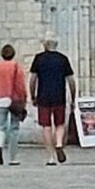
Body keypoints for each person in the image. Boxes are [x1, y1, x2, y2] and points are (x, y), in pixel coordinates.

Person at [30, 37, 74, 165]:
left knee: (46, 126)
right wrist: (73, 96)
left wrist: (32, 95)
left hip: (43, 96)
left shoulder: (39, 59)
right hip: (59, 96)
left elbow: (33, 79)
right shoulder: (63, 59)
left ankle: (51, 157)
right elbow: (71, 80)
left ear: (45, 45)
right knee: (60, 123)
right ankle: (59, 144)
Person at [0, 43, 26, 165]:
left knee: (0, 127)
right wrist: (23, 99)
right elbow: (20, 86)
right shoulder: (16, 67)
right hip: (13, 99)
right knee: (14, 128)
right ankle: (13, 158)